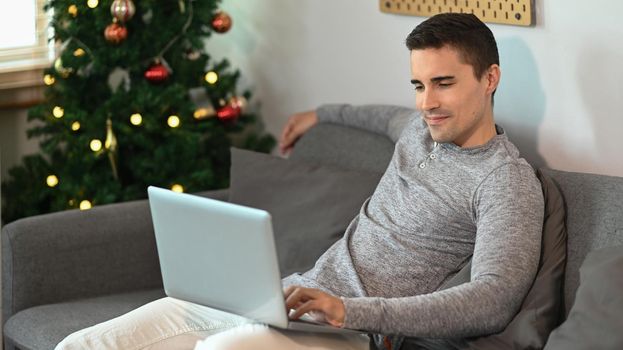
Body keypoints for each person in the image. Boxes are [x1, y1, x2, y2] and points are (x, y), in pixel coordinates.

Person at [55, 13, 544, 350]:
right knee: (85, 343)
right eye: (418, 84)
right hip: (290, 298)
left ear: (490, 78)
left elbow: (492, 301)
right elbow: (380, 117)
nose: (426, 102)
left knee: (221, 348)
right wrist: (320, 114)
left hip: (351, 334)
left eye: (444, 83)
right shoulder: (420, 130)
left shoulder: (506, 182)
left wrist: (350, 312)